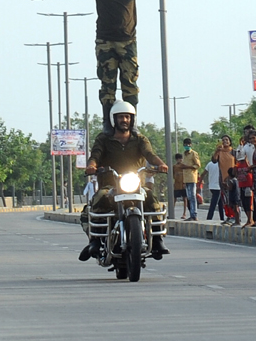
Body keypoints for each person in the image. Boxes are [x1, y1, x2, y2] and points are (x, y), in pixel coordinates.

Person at [23, 0, 205, 134]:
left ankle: (132, 123)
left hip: (127, 43)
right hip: (105, 42)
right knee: (107, 84)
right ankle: (107, 123)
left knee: (130, 85)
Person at [80, 100, 169, 261]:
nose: (124, 120)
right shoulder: (104, 139)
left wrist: (160, 164)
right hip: (110, 185)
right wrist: (92, 166)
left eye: (127, 117)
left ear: (132, 119)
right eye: (121, 117)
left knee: (152, 199)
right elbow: (95, 155)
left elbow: (149, 154)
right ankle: (94, 241)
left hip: (136, 185)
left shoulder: (140, 139)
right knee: (97, 200)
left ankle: (157, 240)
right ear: (114, 119)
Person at [213, 135, 237, 224]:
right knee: (225, 198)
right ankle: (229, 216)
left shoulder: (233, 152)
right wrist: (217, 151)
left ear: (230, 141)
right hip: (222, 178)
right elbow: (214, 160)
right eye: (223, 140)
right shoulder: (219, 152)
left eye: (226, 139)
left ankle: (235, 216)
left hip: (232, 178)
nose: (225, 141)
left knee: (233, 198)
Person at [180, 138, 201, 221]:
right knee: (189, 197)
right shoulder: (184, 154)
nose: (187, 146)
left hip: (192, 177)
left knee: (192, 196)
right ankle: (191, 214)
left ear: (191, 145)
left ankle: (194, 214)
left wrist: (187, 167)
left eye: (188, 144)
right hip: (186, 178)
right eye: (185, 144)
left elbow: (198, 165)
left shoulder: (193, 154)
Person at [203, 156, 224, 221]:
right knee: (213, 204)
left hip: (212, 186)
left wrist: (200, 181)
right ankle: (209, 218)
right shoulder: (220, 164)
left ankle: (222, 218)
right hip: (217, 187)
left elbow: (203, 173)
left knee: (220, 203)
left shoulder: (209, 164)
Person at [172, 153, 188, 219]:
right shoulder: (174, 167)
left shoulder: (184, 166)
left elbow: (186, 174)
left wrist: (185, 182)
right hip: (177, 185)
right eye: (179, 159)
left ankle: (184, 213)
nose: (180, 160)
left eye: (181, 159)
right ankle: (172, 213)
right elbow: (173, 175)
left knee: (185, 198)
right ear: (176, 159)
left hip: (183, 184)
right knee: (174, 199)